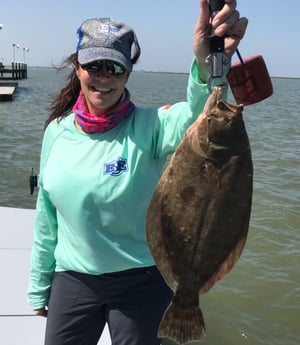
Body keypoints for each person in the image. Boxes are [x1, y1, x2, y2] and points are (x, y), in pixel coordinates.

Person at [28, 1, 247, 344]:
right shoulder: (56, 131)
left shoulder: (151, 127)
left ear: (128, 73)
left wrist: (208, 64)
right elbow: (47, 215)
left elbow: (199, 114)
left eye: (114, 68)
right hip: (73, 277)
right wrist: (40, 284)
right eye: (94, 65)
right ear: (78, 67)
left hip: (142, 278)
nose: (103, 77)